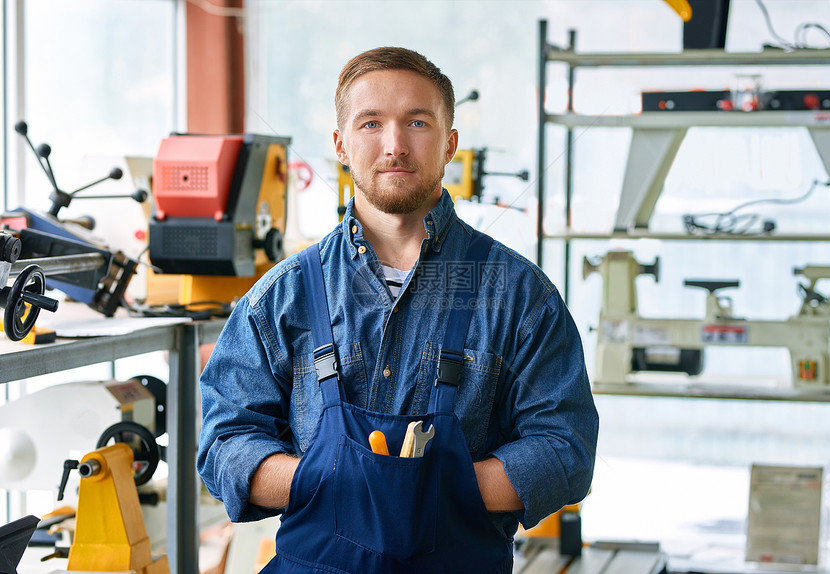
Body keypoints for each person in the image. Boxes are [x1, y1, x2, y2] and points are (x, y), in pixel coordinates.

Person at [197, 46, 598, 573]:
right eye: (370, 123)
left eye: (417, 121)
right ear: (340, 144)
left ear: (450, 143)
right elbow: (224, 444)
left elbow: (566, 451)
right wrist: (324, 479)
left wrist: (443, 485)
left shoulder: (521, 296)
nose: (395, 145)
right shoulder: (282, 296)